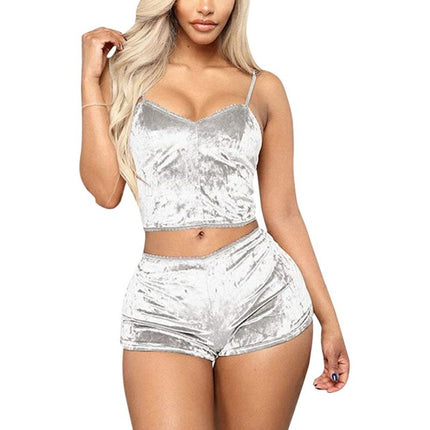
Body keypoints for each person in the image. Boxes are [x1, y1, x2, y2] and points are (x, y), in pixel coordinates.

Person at [80, 0, 350, 428]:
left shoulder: (262, 88)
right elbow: (105, 191)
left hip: (263, 297)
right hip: (163, 303)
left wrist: (329, 319)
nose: (206, 7)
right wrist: (90, 82)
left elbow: (283, 213)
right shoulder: (125, 78)